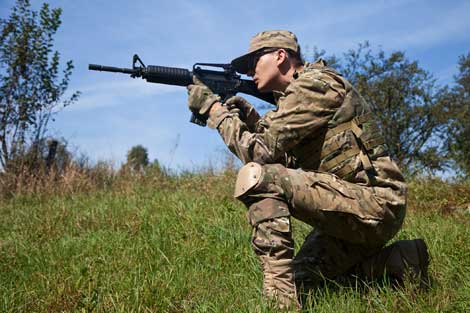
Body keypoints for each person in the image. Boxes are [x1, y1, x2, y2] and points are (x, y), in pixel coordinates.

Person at [186, 30, 429, 309]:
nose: (250, 70)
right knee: (306, 283)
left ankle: (280, 302)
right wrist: (252, 119)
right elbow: (285, 163)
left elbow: (261, 156)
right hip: (352, 207)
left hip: (374, 204)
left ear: (280, 56)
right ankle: (401, 261)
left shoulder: (314, 86)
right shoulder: (298, 95)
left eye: (254, 60)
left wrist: (213, 109)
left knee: (258, 177)